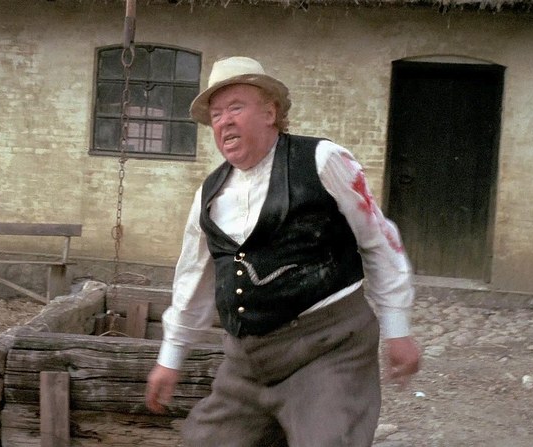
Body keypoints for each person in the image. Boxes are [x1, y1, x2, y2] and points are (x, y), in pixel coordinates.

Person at [145, 56, 421, 447]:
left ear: (270, 112)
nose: (224, 122)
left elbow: (378, 239)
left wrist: (397, 328)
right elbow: (194, 279)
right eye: (216, 115)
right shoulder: (209, 194)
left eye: (236, 108)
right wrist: (170, 358)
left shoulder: (323, 160)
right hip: (247, 365)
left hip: (328, 348)